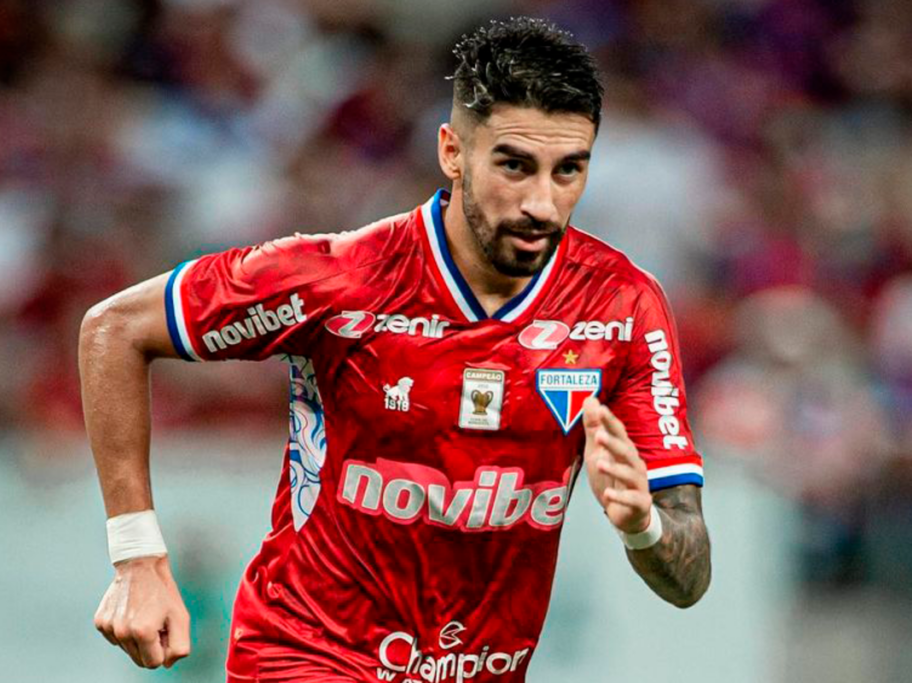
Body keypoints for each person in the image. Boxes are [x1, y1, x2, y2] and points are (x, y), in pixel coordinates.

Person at [80, 16, 711, 683]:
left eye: (569, 171)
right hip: (308, 656)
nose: (541, 203)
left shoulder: (622, 307)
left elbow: (689, 575)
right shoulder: (342, 279)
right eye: (514, 166)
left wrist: (642, 525)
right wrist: (137, 555)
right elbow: (113, 329)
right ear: (452, 151)